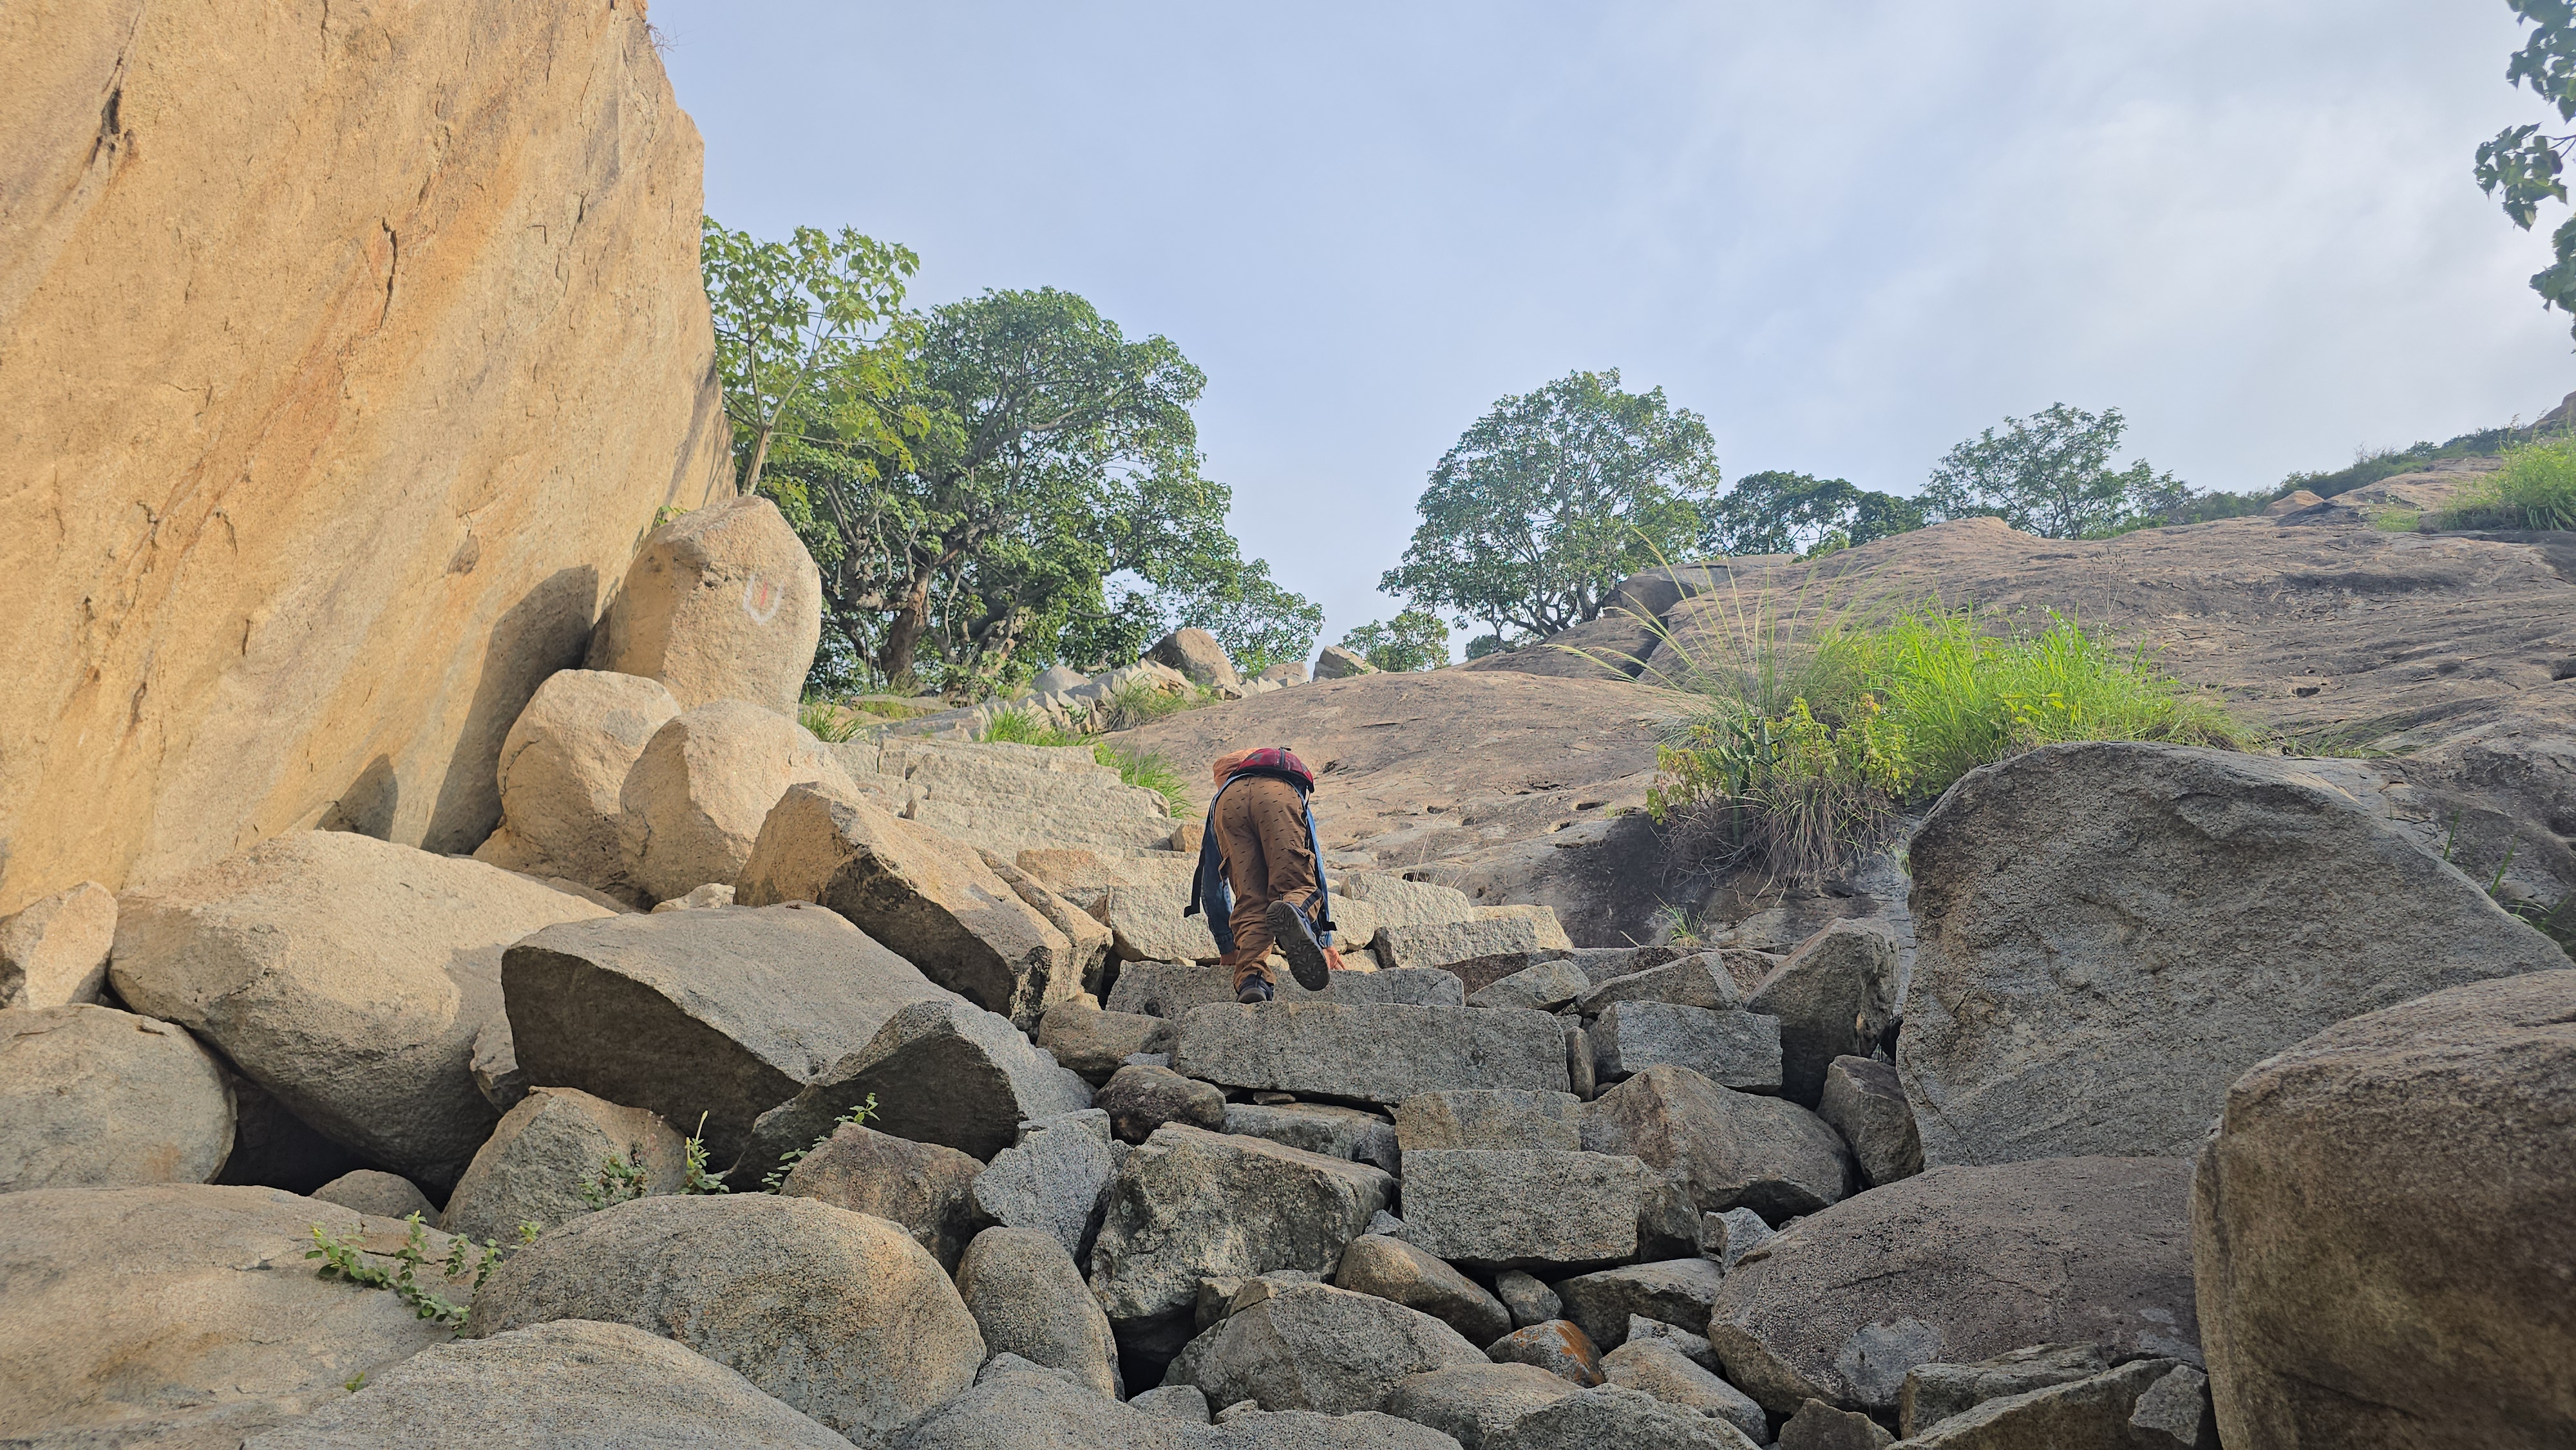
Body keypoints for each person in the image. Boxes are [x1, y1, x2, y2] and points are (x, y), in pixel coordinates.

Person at [1185, 745, 1343, 1003]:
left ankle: (1253, 980)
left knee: (1252, 901)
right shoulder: (1280, 779)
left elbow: (1210, 878)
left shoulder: (1223, 794)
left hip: (1230, 807)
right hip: (1277, 799)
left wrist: (1226, 947)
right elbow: (1317, 865)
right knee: (1297, 886)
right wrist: (1324, 937)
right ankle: (1295, 911)